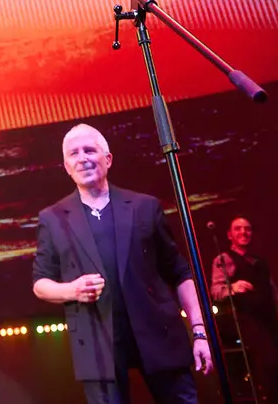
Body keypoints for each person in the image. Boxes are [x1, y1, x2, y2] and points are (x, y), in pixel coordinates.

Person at [31, 123, 213, 404]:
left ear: (108, 159)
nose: (83, 158)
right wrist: (73, 290)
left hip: (159, 333)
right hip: (97, 343)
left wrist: (199, 332)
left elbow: (179, 271)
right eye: (74, 153)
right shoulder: (53, 218)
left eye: (90, 150)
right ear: (66, 167)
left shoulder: (144, 206)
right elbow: (41, 284)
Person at [210, 217, 278, 403]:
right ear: (229, 235)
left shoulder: (260, 261)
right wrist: (232, 288)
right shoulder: (225, 259)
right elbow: (215, 291)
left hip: (270, 321)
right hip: (248, 322)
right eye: (238, 229)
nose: (243, 232)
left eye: (247, 229)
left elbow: (273, 293)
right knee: (269, 367)